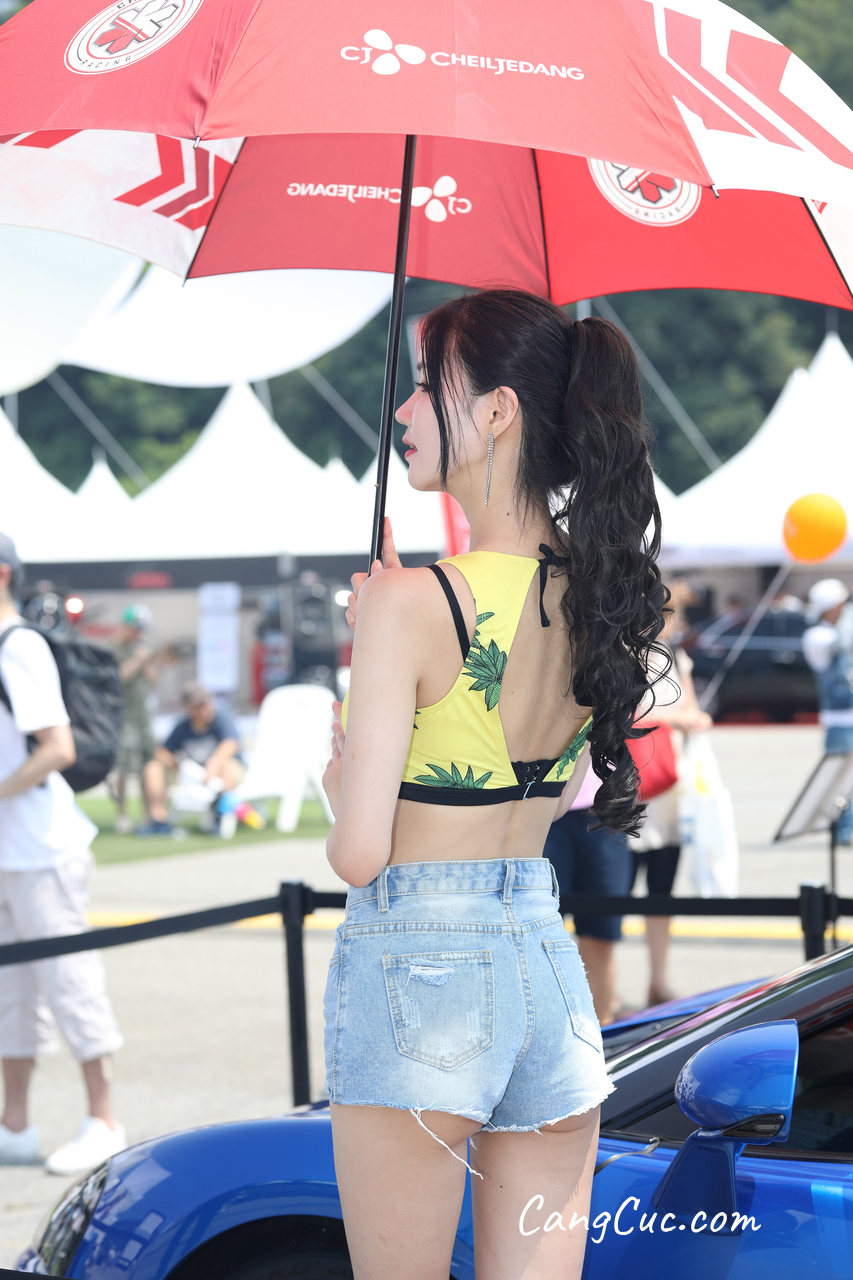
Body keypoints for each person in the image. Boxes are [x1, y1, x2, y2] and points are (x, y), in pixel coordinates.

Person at [320, 290, 667, 1279]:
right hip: (543, 960)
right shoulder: (596, 590)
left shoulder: (408, 600)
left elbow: (359, 853)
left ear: (498, 410)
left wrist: (342, 769)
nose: (404, 410)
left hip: (419, 964)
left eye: (425, 385)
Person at [0, 531, 126, 1174]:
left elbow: (58, 747)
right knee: (12, 991)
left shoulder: (19, 645)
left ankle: (103, 1118)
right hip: (12, 850)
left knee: (69, 983)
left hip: (43, 849)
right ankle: (14, 1124)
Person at [628, 580, 712, 1006]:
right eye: (664, 613)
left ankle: (658, 980)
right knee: (614, 892)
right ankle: (602, 988)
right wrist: (673, 719)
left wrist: (695, 719)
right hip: (630, 786)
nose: (668, 623)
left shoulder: (675, 655)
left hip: (670, 785)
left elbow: (691, 707)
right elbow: (617, 714)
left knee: (662, 888)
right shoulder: (618, 655)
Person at [544, 763, 631, 1025]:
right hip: (541, 801)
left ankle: (601, 1032)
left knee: (601, 932)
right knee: (539, 934)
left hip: (604, 800)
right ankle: (545, 1034)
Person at [139, 682, 244, 835]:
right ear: (188, 707)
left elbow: (230, 745)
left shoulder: (221, 719)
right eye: (198, 705)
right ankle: (157, 819)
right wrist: (174, 763)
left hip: (223, 773)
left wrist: (213, 764)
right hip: (191, 774)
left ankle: (220, 817)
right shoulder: (183, 726)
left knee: (225, 765)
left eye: (206, 703)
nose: (204, 708)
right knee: (152, 767)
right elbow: (162, 751)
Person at [802, 578, 853, 845]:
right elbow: (843, 643)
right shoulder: (817, 636)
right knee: (841, 782)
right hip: (840, 720)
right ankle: (843, 832)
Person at [110, 603, 158, 834]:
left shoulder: (141, 649)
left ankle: (150, 814)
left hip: (143, 717)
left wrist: (146, 663)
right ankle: (122, 814)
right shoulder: (115, 650)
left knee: (147, 765)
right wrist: (138, 660)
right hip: (124, 718)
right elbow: (118, 678)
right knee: (123, 769)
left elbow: (153, 680)